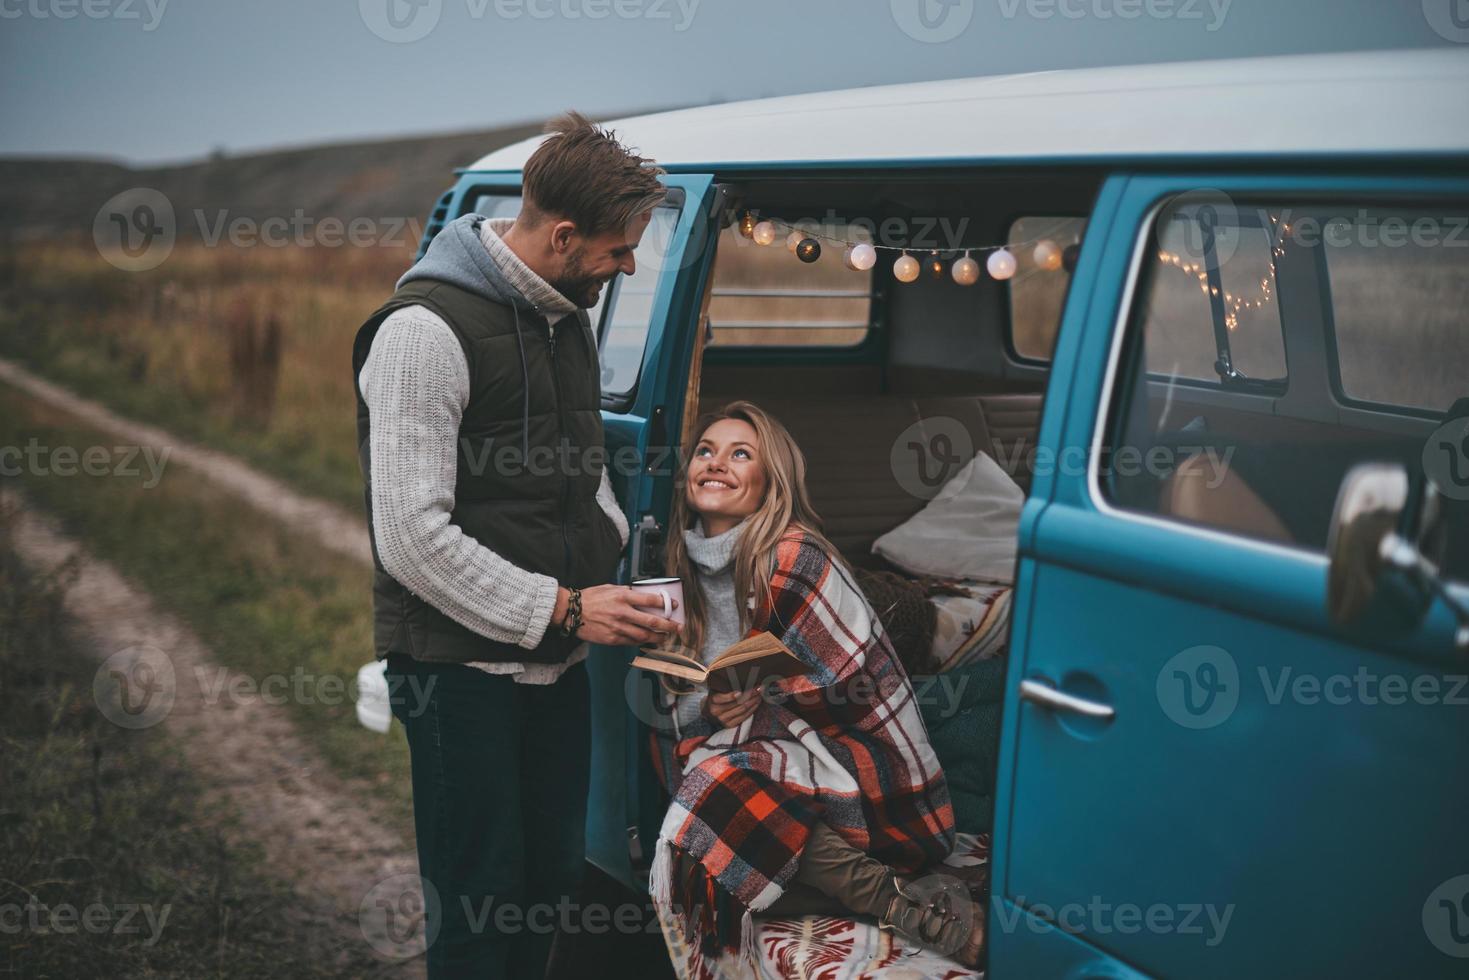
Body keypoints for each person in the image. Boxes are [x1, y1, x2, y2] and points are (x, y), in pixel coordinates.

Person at [352, 111, 681, 978]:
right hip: (457, 670)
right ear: (564, 235)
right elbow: (411, 538)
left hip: (555, 658)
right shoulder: (422, 335)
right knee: (477, 896)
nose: (627, 267)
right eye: (618, 250)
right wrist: (567, 606)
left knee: (546, 881)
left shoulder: (561, 311)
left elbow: (582, 470)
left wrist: (614, 549)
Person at [647, 401, 985, 974]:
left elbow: (848, 681)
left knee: (723, 782)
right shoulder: (672, 568)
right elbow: (686, 702)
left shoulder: (794, 555)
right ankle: (860, 893)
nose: (717, 463)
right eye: (705, 451)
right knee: (712, 791)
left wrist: (766, 703)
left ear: (769, 481)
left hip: (856, 757)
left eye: (740, 454)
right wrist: (719, 704)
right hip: (758, 754)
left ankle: (900, 906)